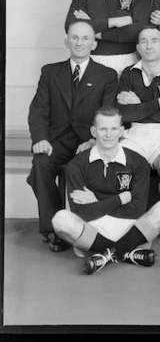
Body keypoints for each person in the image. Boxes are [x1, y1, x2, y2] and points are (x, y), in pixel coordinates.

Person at [27, 20, 118, 252]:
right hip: (55, 141)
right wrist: (40, 139)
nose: (79, 42)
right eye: (74, 37)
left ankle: (81, 227)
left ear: (94, 44)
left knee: (81, 169)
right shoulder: (50, 71)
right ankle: (55, 228)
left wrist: (94, 141)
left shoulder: (107, 75)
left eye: (85, 38)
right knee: (41, 162)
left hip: (86, 142)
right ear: (66, 41)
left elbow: (107, 114)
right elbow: (39, 110)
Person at [51, 106, 160, 275]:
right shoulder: (76, 165)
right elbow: (82, 213)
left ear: (122, 131)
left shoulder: (138, 162)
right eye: (103, 129)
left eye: (113, 129)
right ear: (94, 131)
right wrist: (121, 199)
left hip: (132, 229)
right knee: (60, 220)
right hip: (93, 232)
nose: (109, 135)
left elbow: (136, 209)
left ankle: (106, 255)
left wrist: (96, 202)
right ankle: (127, 253)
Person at [115, 26, 160, 241]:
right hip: (135, 133)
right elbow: (125, 114)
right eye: (144, 41)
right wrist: (157, 103)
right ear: (137, 47)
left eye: (154, 40)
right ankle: (124, 220)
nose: (149, 45)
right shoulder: (129, 73)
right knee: (120, 168)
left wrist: (141, 105)